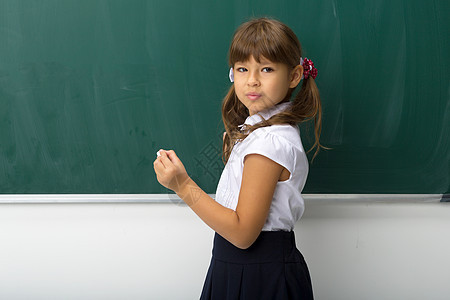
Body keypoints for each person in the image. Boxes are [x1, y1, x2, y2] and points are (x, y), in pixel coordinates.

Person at [153, 17, 324, 299]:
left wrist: (182, 185)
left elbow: (243, 233)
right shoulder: (261, 132)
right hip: (242, 268)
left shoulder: (269, 141)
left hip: (258, 274)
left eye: (267, 69)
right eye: (243, 69)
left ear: (294, 76)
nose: (252, 80)